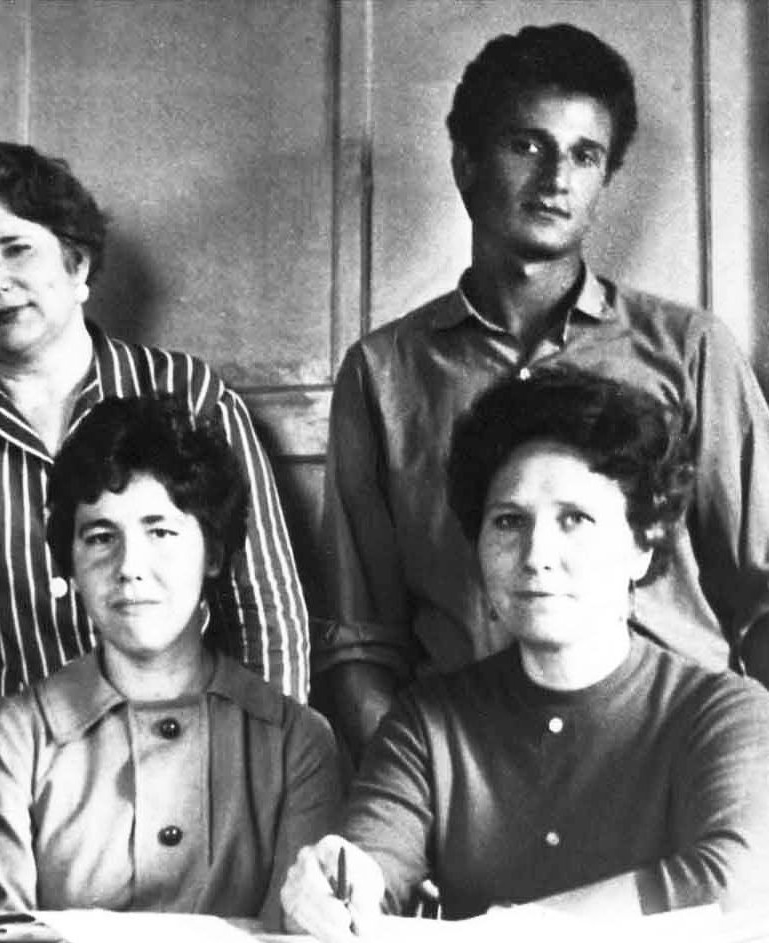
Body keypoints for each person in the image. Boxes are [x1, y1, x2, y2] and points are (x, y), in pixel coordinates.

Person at [319, 22, 769, 756]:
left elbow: (764, 593)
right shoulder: (383, 372)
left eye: (585, 155)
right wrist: (416, 794)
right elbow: (361, 640)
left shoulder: (688, 351)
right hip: (475, 763)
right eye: (527, 146)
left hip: (670, 751)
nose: (557, 177)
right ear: (466, 164)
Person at [283, 369, 769, 938]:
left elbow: (734, 881)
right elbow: (371, 862)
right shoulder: (428, 722)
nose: (536, 554)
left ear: (643, 545)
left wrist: (498, 931)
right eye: (509, 522)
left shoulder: (724, 713)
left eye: (575, 519)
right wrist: (333, 885)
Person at [0, 139, 307, 712]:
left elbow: (263, 606)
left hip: (181, 746)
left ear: (76, 263)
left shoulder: (189, 393)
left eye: (17, 250)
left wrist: (268, 749)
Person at [0, 397, 341, 926]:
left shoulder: (296, 743)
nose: (129, 566)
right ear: (70, 565)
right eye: (100, 537)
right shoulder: (16, 739)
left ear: (212, 553)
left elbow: (297, 934)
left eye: (162, 532)